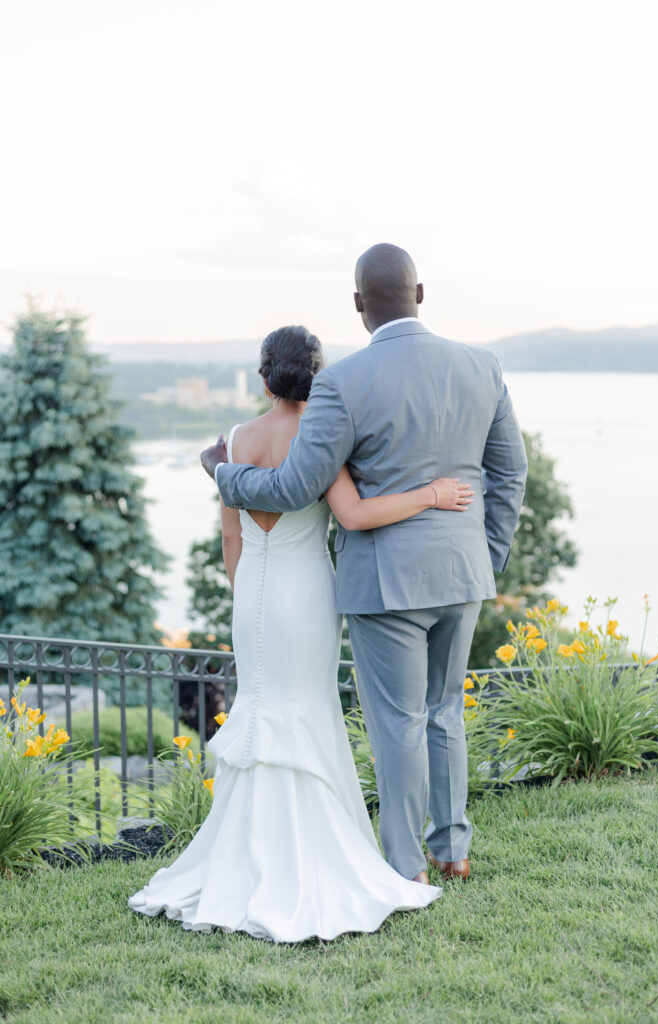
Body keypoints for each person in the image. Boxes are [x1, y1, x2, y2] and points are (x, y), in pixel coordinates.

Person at [129, 324, 474, 942]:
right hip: (309, 593)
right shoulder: (321, 437)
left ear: (265, 378)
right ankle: (311, 858)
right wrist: (432, 494)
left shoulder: (234, 440)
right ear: (316, 378)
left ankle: (246, 858)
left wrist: (250, 593)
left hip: (253, 595)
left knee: (259, 708)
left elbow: (232, 541)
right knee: (308, 709)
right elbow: (356, 515)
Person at [203, 244, 528, 887]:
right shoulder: (482, 366)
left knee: (400, 723)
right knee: (445, 714)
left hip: (385, 583)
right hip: (462, 573)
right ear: (421, 292)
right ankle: (453, 849)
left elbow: (293, 488)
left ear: (358, 307)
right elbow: (509, 475)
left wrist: (222, 470)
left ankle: (406, 866)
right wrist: (483, 557)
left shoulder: (343, 383)